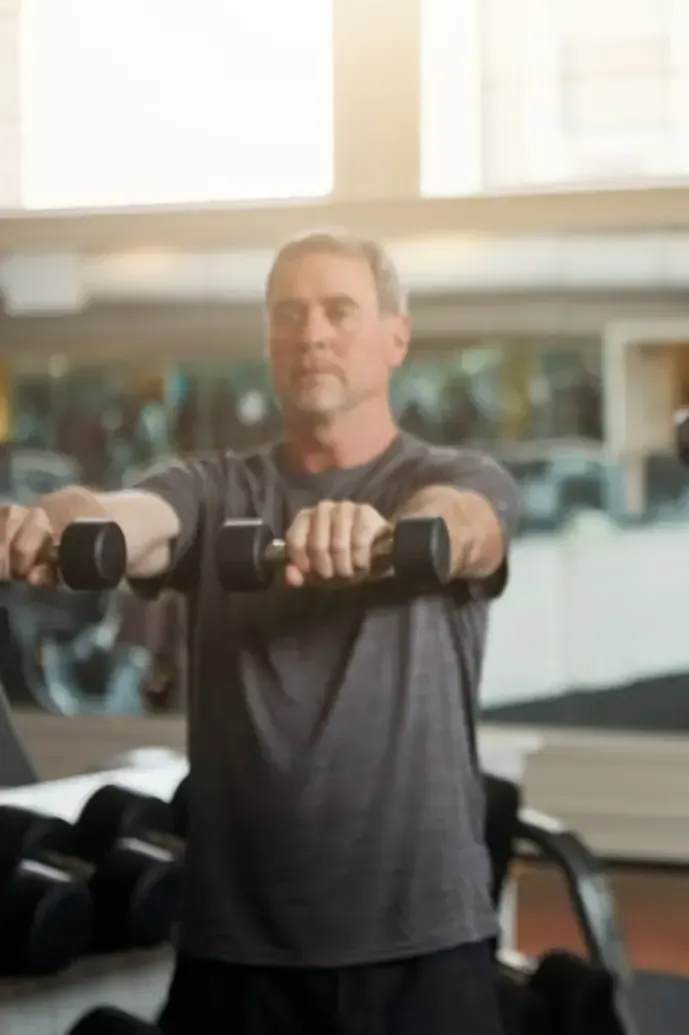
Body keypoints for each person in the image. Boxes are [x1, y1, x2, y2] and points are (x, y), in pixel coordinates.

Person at [0, 230, 520, 1035]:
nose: (311, 333)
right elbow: (127, 517)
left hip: (421, 942)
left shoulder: (449, 480)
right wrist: (63, 519)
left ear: (396, 337)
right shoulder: (216, 491)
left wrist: (383, 531)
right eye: (290, 314)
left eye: (339, 311)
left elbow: (465, 528)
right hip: (239, 953)